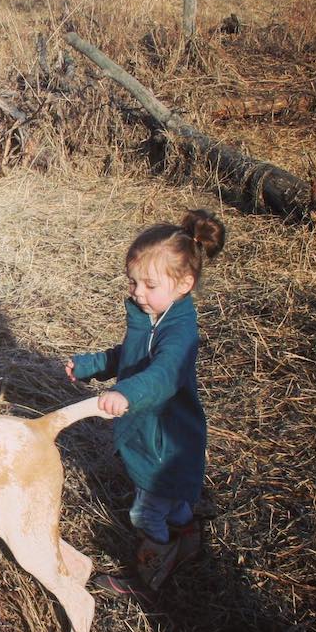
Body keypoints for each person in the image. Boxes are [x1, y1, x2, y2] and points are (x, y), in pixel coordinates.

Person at [65, 209, 226, 596]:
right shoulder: (152, 315)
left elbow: (163, 375)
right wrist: (92, 366)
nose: (137, 292)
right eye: (133, 282)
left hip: (165, 444)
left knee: (146, 510)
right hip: (150, 434)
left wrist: (126, 394)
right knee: (169, 500)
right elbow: (132, 355)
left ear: (184, 283)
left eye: (148, 285)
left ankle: (152, 569)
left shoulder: (180, 332)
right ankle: (186, 536)